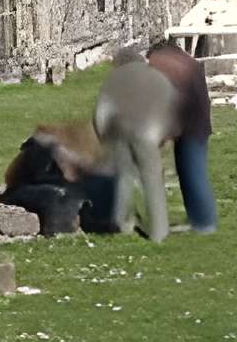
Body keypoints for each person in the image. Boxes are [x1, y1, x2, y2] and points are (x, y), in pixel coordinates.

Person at [93, 47, 180, 244]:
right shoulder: (156, 77)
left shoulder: (113, 80)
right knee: (152, 179)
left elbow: (102, 110)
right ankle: (158, 231)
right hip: (147, 132)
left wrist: (103, 136)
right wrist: (166, 135)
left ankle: (122, 223)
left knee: (122, 176)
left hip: (117, 132)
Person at [144, 36, 218, 233]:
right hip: (198, 125)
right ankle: (200, 219)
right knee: (190, 175)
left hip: (189, 128)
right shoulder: (186, 61)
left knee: (193, 176)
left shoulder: (165, 65)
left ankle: (205, 224)